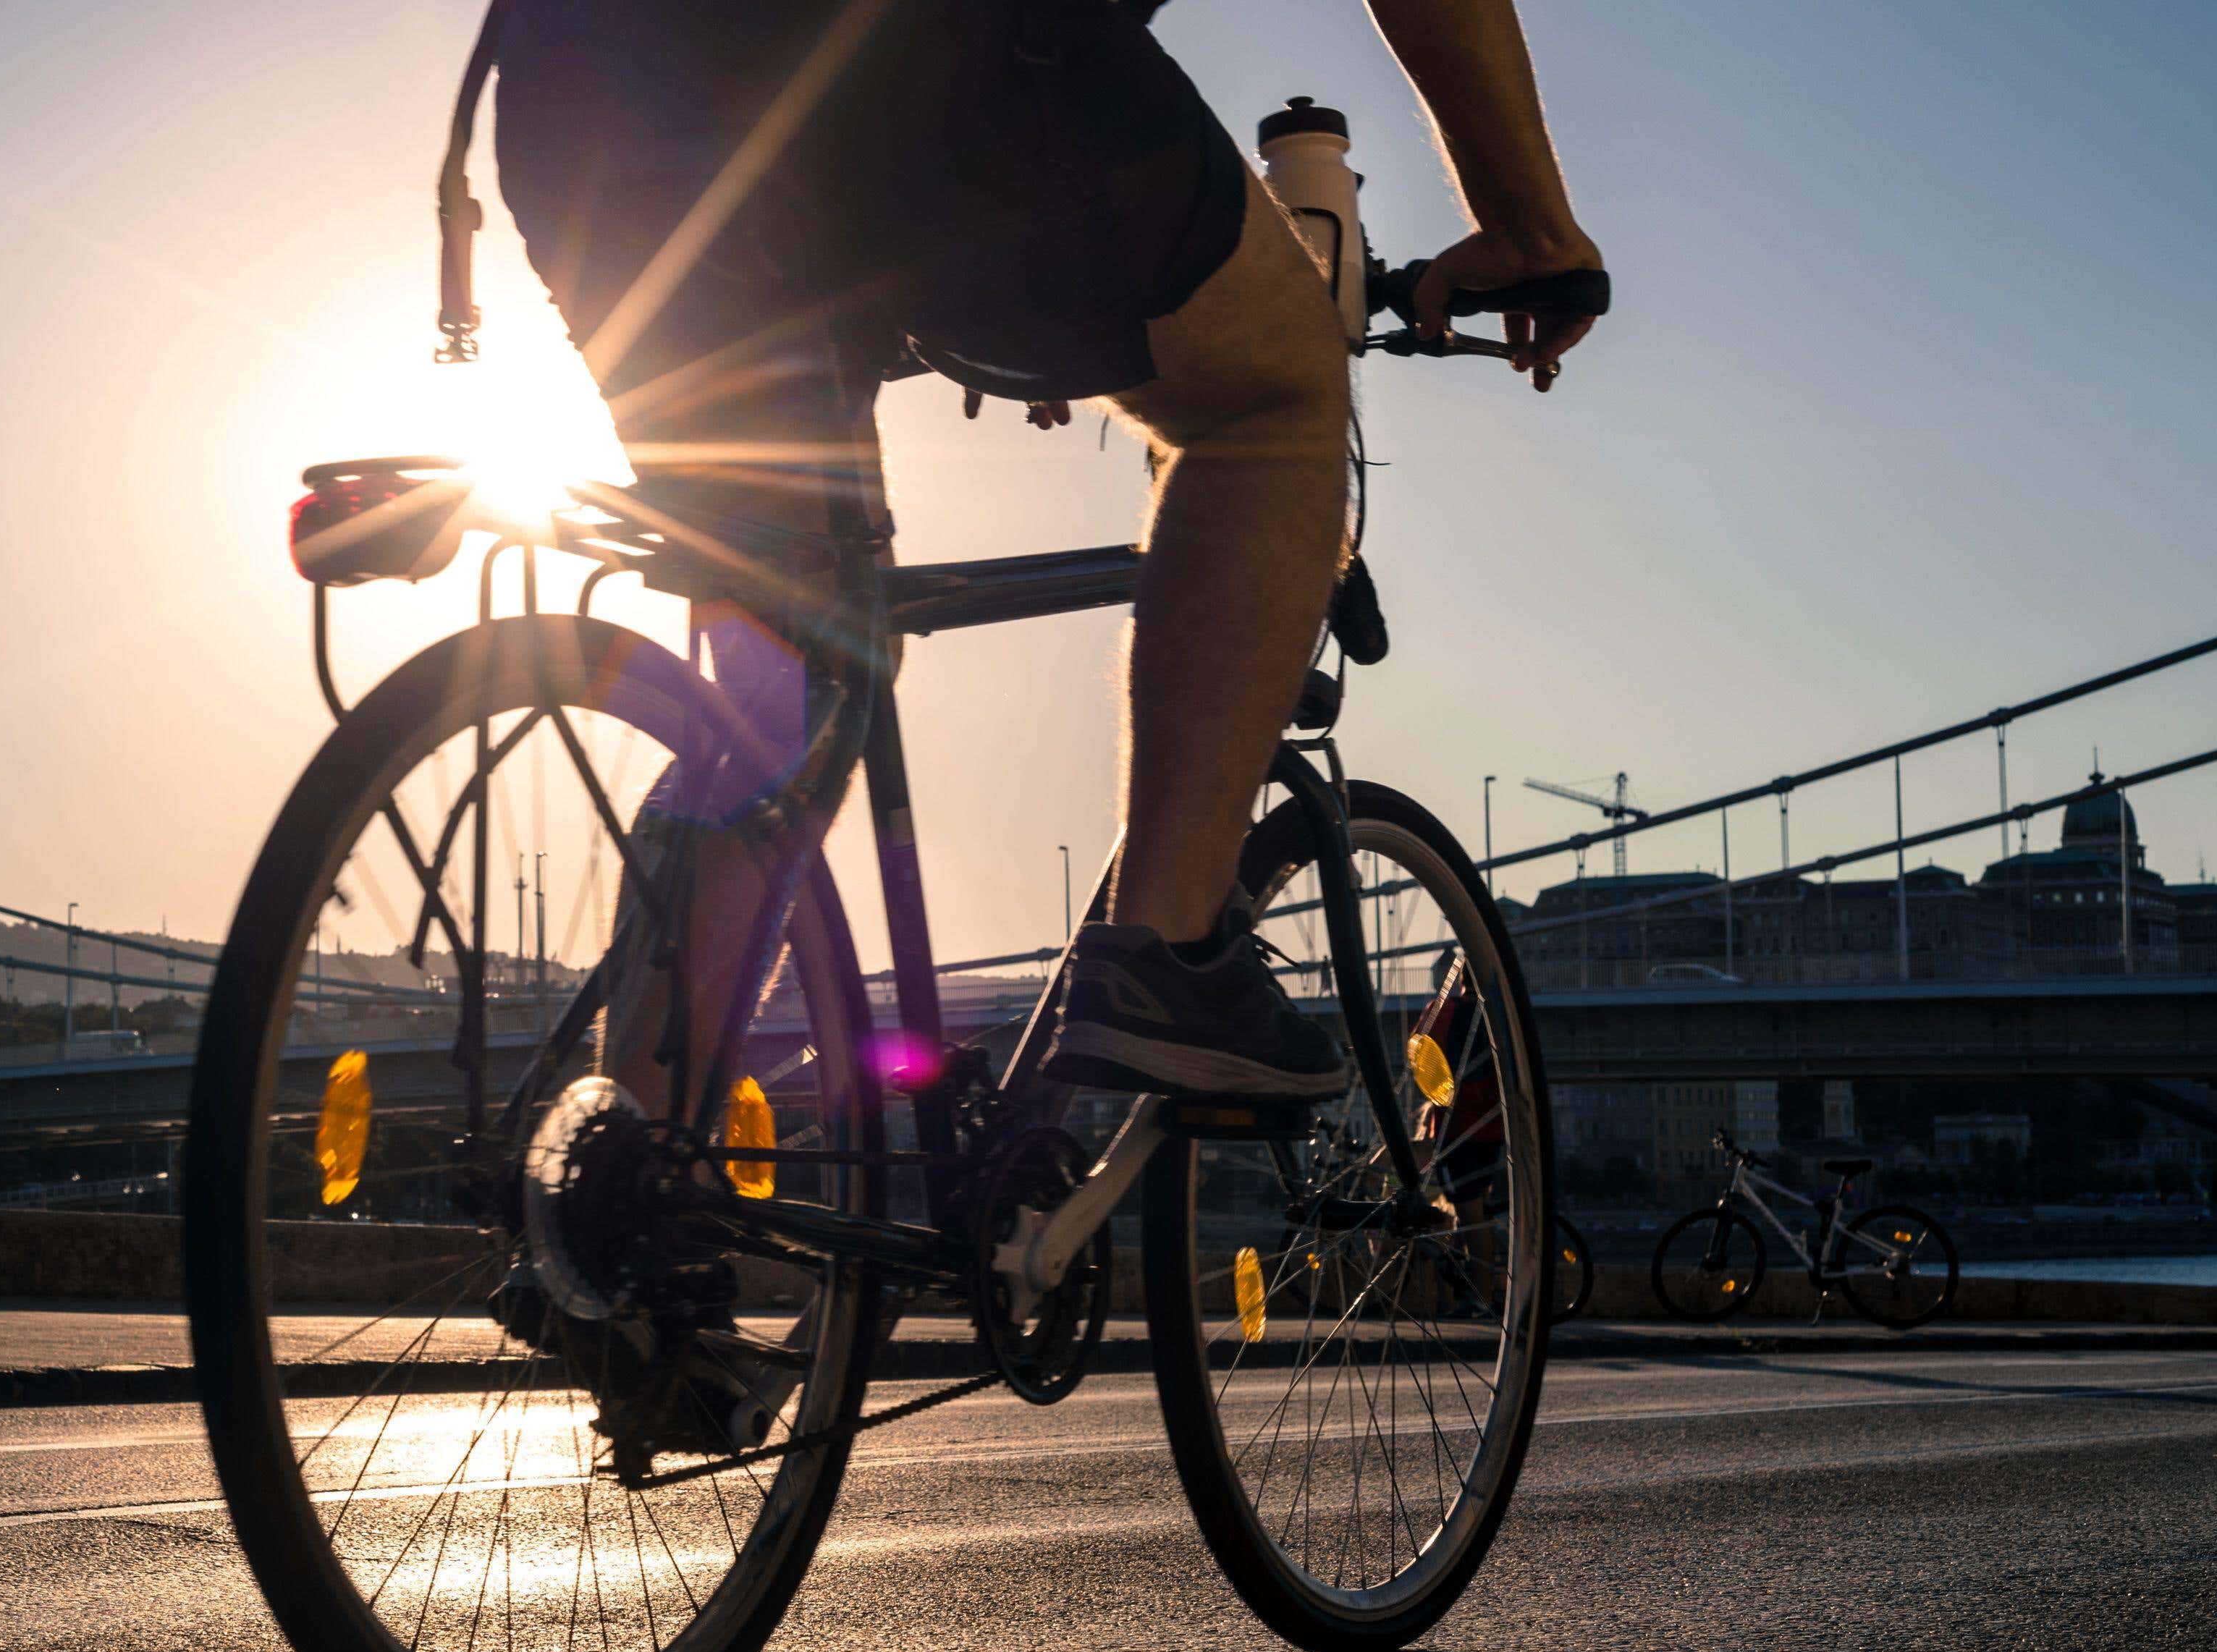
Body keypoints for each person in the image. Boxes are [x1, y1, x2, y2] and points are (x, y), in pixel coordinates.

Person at [487, 0, 1602, 1109]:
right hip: (928, 70)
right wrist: (1529, 230)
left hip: (582, 99)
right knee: (1270, 391)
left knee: (793, 688)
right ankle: (1165, 958)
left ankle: (620, 1183)